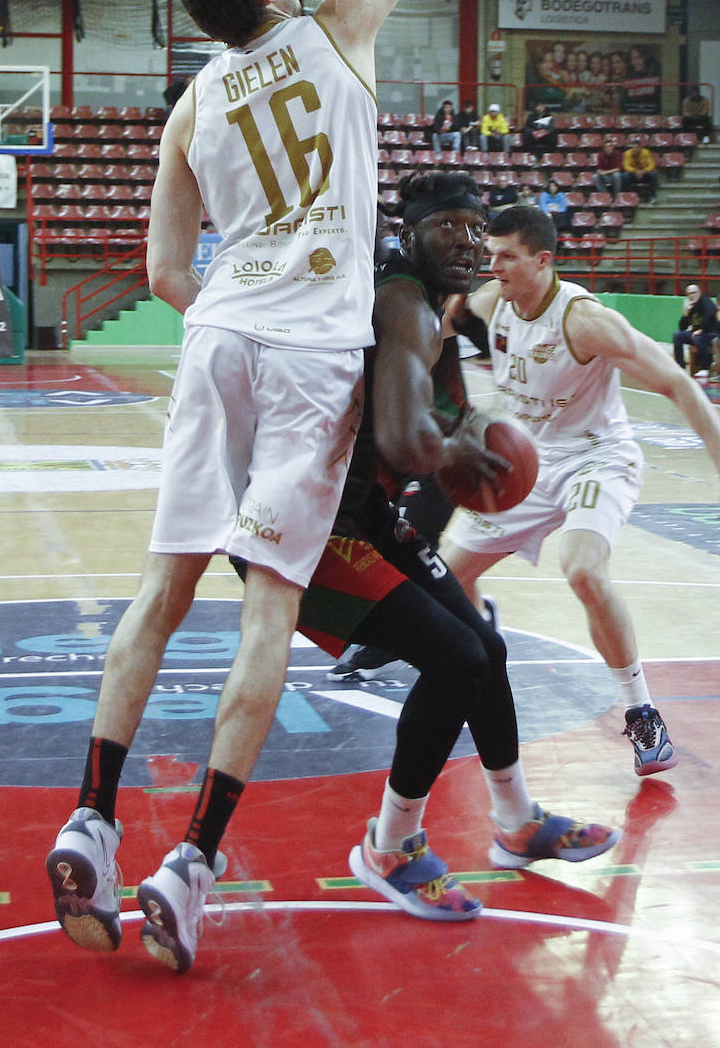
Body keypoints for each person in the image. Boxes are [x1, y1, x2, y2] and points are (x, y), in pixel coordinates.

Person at [45, 0, 546, 975]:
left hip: (214, 336)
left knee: (157, 590)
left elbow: (162, 268)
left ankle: (92, 816)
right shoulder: (335, 33)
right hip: (311, 353)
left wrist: (228, 306)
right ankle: (192, 856)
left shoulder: (186, 108)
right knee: (269, 607)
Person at [303, 171, 620, 916]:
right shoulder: (401, 302)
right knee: (457, 658)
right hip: (315, 532)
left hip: (369, 515)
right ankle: (390, 844)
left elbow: (431, 424)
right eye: (449, 225)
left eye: (477, 230)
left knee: (486, 649)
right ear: (408, 232)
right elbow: (411, 441)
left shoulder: (435, 310)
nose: (469, 242)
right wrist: (456, 450)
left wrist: (464, 432)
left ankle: (516, 823)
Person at [439, 205, 720, 777]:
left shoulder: (584, 319)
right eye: (490, 254)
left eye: (506, 257)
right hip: (524, 460)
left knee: (585, 572)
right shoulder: (491, 301)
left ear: (543, 261)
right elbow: (429, 335)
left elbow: (677, 383)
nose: (492, 266)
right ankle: (484, 646)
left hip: (596, 457)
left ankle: (642, 710)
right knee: (448, 582)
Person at [672, 283, 717, 378]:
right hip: (695, 333)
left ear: (699, 292)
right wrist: (686, 314)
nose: (692, 295)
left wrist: (701, 329)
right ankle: (680, 365)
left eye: (694, 293)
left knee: (699, 338)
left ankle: (704, 367)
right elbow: (682, 327)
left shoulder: (706, 302)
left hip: (710, 333)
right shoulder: (690, 306)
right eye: (690, 294)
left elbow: (711, 315)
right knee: (677, 335)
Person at [622, 133, 658, 203]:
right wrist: (635, 171)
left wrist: (644, 171)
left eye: (636, 147)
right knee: (625, 175)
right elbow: (626, 166)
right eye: (633, 147)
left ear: (640, 147)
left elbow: (652, 165)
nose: (635, 149)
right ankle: (628, 197)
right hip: (633, 175)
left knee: (653, 174)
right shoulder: (627, 153)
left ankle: (652, 197)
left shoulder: (646, 152)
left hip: (644, 174)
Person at [593, 134, 625, 198]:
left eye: (610, 146)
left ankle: (617, 197)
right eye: (606, 147)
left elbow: (619, 169)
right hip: (606, 176)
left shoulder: (618, 154)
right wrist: (600, 172)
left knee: (617, 175)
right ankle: (607, 196)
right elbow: (599, 168)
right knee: (595, 177)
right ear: (604, 148)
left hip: (616, 177)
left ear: (613, 147)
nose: (608, 148)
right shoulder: (601, 155)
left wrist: (606, 172)